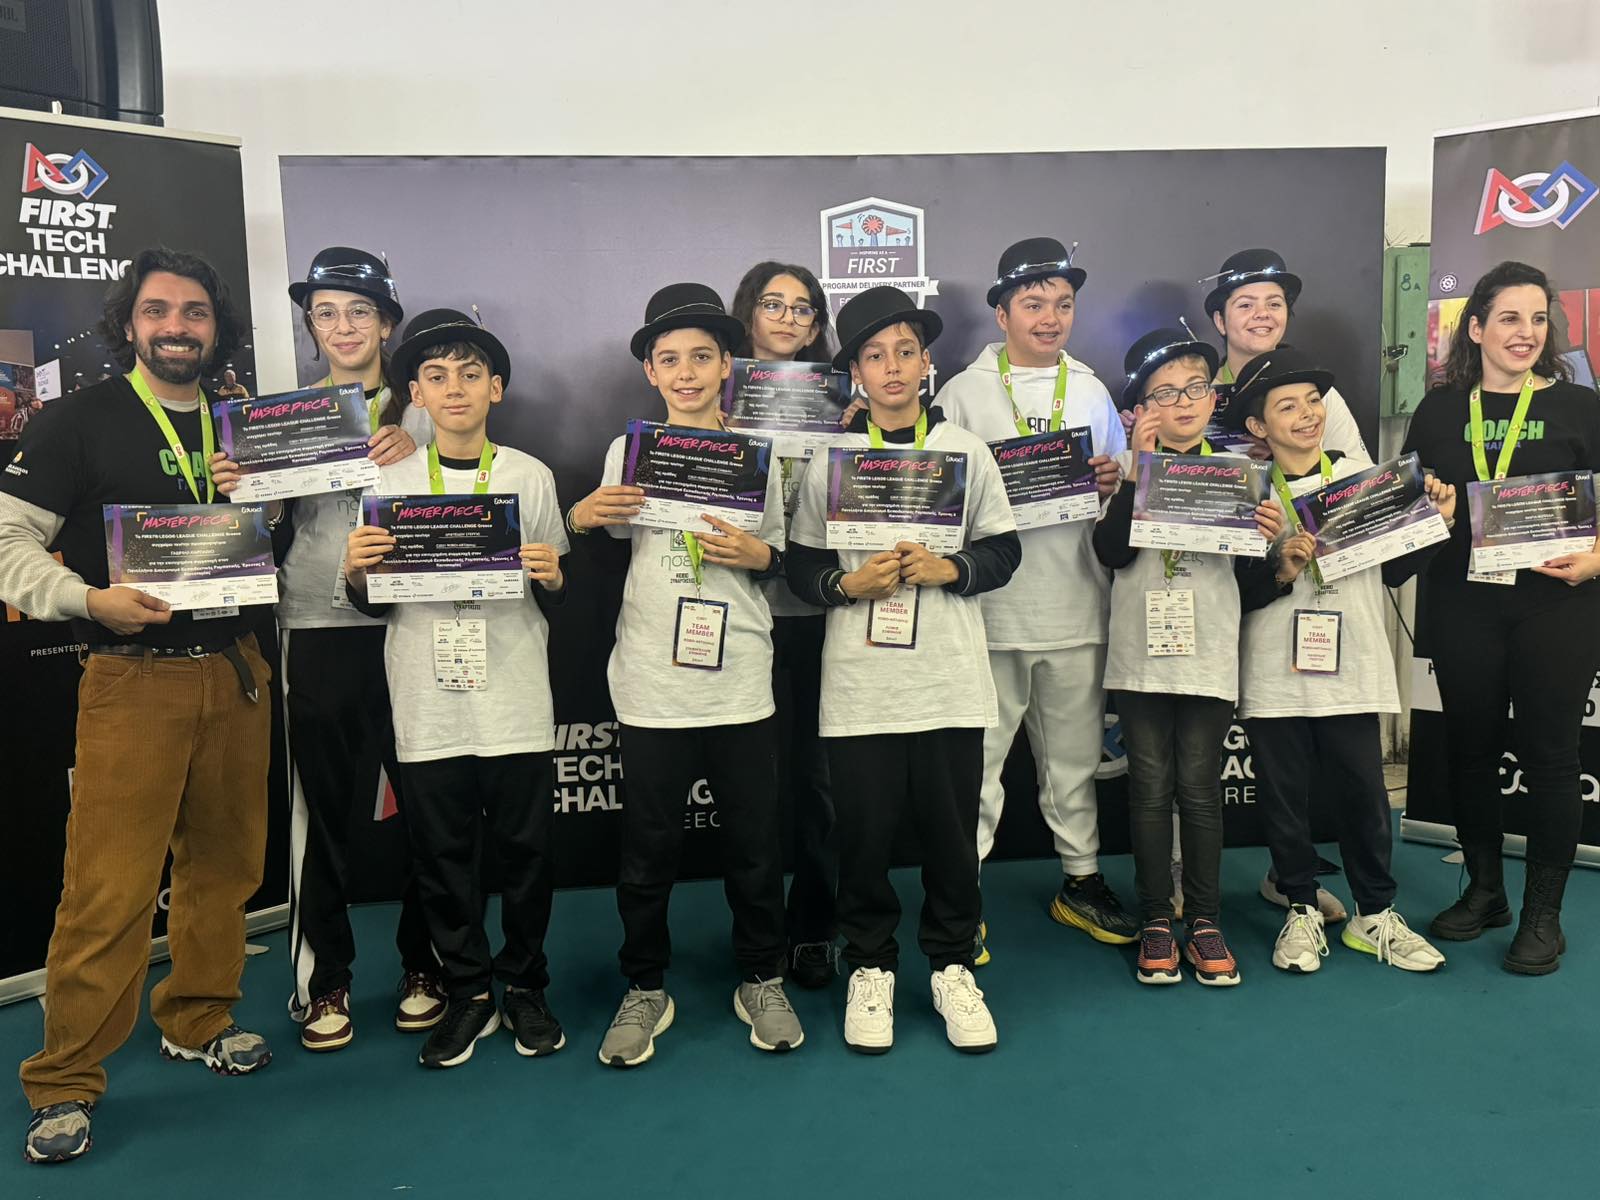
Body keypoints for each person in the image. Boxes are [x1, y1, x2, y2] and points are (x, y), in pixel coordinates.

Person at [0, 248, 273, 1164]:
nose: (177, 327)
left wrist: (266, 497)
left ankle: (198, 1017)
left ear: (216, 328)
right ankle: (64, 1078)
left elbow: (284, 532)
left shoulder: (244, 422)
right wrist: (85, 599)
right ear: (129, 324)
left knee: (225, 869)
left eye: (195, 312)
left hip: (236, 671)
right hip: (132, 677)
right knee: (109, 888)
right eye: (159, 310)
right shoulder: (78, 421)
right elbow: (7, 538)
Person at [569, 283, 801, 1066]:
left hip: (740, 677)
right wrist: (584, 516)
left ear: (727, 364)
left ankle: (762, 976)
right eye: (670, 360)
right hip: (651, 681)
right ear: (651, 372)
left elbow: (782, 558)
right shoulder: (627, 450)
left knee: (755, 848)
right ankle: (645, 985)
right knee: (647, 852)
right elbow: (605, 544)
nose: (687, 372)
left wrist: (759, 555)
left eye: (702, 356)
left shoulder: (760, 455)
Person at [788, 285, 1021, 1052]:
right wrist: (846, 585)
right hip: (861, 690)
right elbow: (802, 567)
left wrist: (952, 568)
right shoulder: (831, 459)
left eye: (906, 352)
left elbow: (1003, 550)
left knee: (953, 841)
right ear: (855, 371)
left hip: (950, 684)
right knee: (862, 841)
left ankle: (952, 965)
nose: (892, 367)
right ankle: (870, 966)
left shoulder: (965, 452)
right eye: (874, 355)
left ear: (926, 364)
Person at [342, 308, 570, 1066]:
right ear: (415, 394)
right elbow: (370, 599)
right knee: (441, 857)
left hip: (515, 697)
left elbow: (558, 589)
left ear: (496, 388)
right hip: (426, 699)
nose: (455, 388)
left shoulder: (530, 475)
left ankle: (526, 984)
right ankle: (468, 990)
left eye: (471, 375)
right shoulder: (389, 481)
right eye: (436, 377)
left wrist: (553, 575)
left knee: (526, 855)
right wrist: (356, 571)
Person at [936, 236, 1133, 961]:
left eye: (1063, 304)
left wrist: (1112, 483)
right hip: (988, 615)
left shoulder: (1091, 390)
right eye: (1033, 304)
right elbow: (939, 501)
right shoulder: (961, 393)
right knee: (979, 770)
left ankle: (1080, 880)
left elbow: (1119, 496)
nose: (1050, 318)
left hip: (1076, 604)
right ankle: (962, 897)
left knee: (1076, 765)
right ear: (1001, 313)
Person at [1224, 347, 1450, 975]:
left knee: (1365, 796)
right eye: (1287, 406)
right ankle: (1299, 905)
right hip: (1271, 669)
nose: (1307, 415)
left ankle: (1375, 913)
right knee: (1283, 800)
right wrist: (1280, 568)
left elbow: (1396, 570)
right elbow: (1232, 594)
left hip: (1353, 665)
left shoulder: (1363, 476)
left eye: (1313, 402)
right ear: (1258, 425)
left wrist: (1435, 523)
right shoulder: (1247, 491)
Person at [267, 247, 443, 1052]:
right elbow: (261, 524)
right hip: (318, 625)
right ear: (312, 326)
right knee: (321, 813)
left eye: (359, 312)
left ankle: (427, 965)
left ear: (387, 323)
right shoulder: (283, 418)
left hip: (415, 624)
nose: (343, 327)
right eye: (326, 314)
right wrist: (248, 481)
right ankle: (325, 978)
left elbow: (473, 507)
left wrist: (420, 451)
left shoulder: (430, 405)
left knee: (430, 803)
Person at [1402, 260, 1600, 975]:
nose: (1526, 332)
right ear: (1477, 328)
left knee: (1552, 759)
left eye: (1538, 318)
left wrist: (1599, 558)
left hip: (1558, 604)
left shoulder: (1580, 406)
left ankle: (1544, 915)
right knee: (1471, 751)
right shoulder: (1438, 410)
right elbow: (1407, 505)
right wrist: (1432, 507)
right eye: (1510, 318)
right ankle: (1486, 891)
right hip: (1464, 602)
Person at [1092, 328, 1283, 985]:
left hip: (1208, 653)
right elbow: (1111, 554)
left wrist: (1267, 542)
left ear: (1213, 398)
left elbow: (1252, 588)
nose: (1182, 402)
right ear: (1142, 408)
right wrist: (1137, 475)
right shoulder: (1124, 472)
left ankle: (1203, 920)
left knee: (1200, 791)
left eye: (1195, 388)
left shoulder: (1240, 475)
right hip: (1140, 655)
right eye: (1164, 393)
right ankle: (1154, 917)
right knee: (1149, 789)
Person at [728, 262, 839, 989]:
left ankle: (816, 927)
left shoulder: (843, 399)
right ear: (749, 313)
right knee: (759, 790)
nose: (789, 318)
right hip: (748, 616)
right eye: (775, 304)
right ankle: (761, 937)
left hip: (826, 612)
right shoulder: (712, 397)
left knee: (822, 785)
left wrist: (858, 441)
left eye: (804, 309)